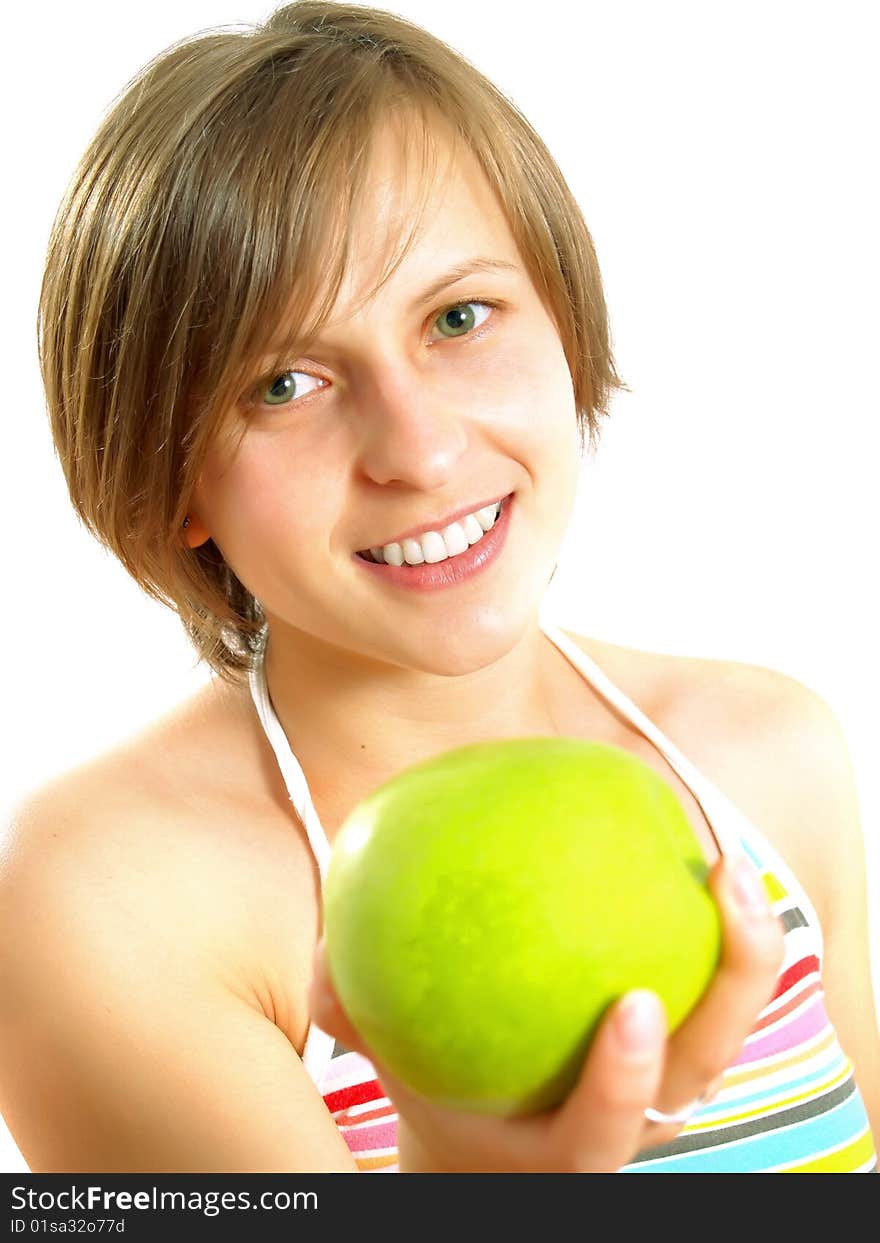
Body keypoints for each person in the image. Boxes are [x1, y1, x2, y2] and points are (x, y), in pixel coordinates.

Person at [1, 0, 877, 1174]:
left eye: (459, 316)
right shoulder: (107, 903)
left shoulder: (769, 757)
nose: (415, 449)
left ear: (561, 321)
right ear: (172, 479)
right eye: (282, 384)